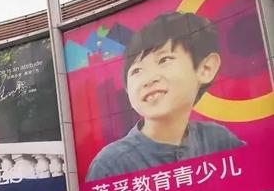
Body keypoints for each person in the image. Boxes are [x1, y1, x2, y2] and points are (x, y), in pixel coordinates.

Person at [86, 12, 244, 182]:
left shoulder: (218, 140)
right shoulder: (111, 165)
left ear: (205, 68)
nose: (149, 79)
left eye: (163, 60)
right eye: (136, 71)